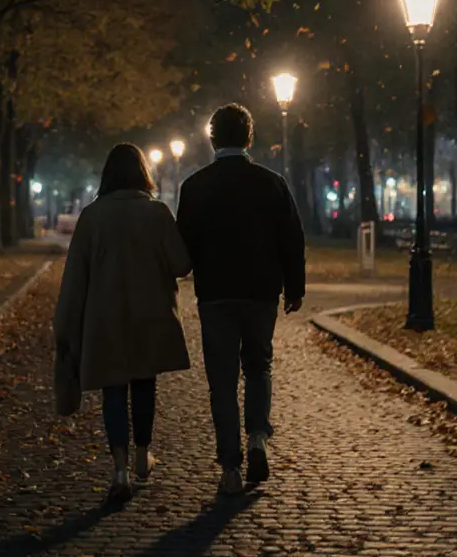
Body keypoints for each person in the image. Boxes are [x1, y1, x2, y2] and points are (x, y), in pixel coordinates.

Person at [53, 143, 194, 503]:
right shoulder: (158, 214)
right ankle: (143, 454)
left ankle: (119, 469)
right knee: (144, 384)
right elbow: (181, 264)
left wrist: (66, 328)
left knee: (113, 391)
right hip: (150, 317)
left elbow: (75, 279)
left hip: (105, 319)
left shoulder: (92, 217)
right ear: (142, 175)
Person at [177, 103, 306, 496]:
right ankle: (257, 438)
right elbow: (292, 238)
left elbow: (184, 248)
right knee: (258, 365)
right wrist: (294, 287)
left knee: (221, 380)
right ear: (249, 137)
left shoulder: (195, 186)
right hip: (261, 291)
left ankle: (230, 466)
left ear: (212, 138)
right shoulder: (271, 183)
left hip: (216, 293)